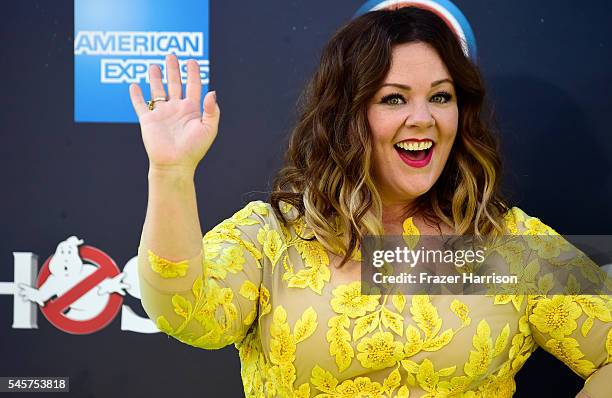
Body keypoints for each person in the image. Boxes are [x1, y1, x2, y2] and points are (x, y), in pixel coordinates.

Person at [129, 7, 612, 398]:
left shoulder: (508, 247)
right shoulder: (272, 237)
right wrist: (170, 174)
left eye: (441, 97)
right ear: (347, 115)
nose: (423, 118)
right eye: (394, 99)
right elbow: (184, 311)